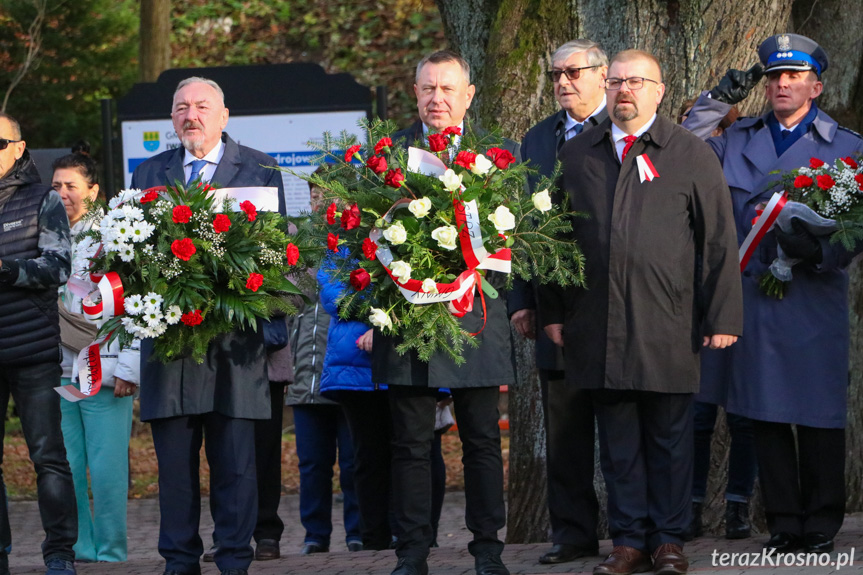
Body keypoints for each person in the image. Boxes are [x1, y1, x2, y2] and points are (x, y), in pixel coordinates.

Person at [540, 50, 743, 575]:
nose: (624, 90)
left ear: (658, 90)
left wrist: (721, 316)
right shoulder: (578, 154)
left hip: (668, 323)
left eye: (636, 81)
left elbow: (718, 240)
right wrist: (554, 311)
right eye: (616, 81)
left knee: (670, 439)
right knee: (619, 443)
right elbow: (555, 241)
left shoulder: (689, 153)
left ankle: (668, 541)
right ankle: (628, 541)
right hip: (597, 323)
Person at [682, 33, 863, 554]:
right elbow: (683, 152)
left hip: (813, 293)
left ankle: (823, 520)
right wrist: (716, 99)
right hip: (751, 293)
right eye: (774, 76)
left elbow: (858, 227)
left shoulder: (846, 146)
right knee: (765, 408)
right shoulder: (736, 136)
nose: (783, 83)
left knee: (819, 409)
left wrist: (818, 252)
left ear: (816, 85)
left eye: (794, 75)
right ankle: (783, 519)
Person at [128, 76, 285, 575]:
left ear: (224, 115)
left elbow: (277, 257)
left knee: (236, 465)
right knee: (175, 467)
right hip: (171, 345)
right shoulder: (150, 171)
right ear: (172, 118)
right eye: (181, 108)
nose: (190, 115)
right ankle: (179, 561)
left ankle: (236, 559)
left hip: (235, 346)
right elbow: (134, 258)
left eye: (201, 106)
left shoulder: (260, 169)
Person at [373, 50, 517, 575]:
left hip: (474, 314)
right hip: (410, 315)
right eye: (428, 89)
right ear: (415, 93)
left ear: (468, 95)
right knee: (409, 444)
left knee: (481, 441)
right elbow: (365, 238)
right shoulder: (388, 158)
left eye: (448, 89)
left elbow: (515, 241)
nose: (438, 99)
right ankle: (412, 553)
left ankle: (488, 550)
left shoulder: (499, 156)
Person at [513, 39, 607, 565]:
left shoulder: (618, 133)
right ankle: (573, 534)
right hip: (554, 313)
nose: (563, 82)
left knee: (621, 426)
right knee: (566, 433)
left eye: (574, 72)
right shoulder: (537, 139)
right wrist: (522, 301)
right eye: (555, 74)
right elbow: (519, 227)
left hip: (616, 308)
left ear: (601, 74)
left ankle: (637, 531)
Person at [0, 112, 78, 575]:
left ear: (19, 147)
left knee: (47, 456)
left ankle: (59, 554)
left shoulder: (42, 200)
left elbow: (57, 267)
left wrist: (8, 270)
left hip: (32, 351)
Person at [53, 143, 139, 562]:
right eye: (56, 186)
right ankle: (80, 549)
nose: (62, 193)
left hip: (105, 371)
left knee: (107, 470)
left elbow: (140, 307)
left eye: (71, 185)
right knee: (65, 464)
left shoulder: (116, 235)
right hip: (56, 369)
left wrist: (130, 366)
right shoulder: (42, 233)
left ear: (94, 189)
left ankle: (112, 553)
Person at [677, 100, 757, 542]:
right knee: (700, 413)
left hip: (747, 293)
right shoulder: (688, 153)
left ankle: (739, 507)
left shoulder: (748, 151)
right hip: (700, 297)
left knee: (745, 414)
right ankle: (689, 507)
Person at [286, 256, 362, 555]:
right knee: (312, 466)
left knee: (353, 463)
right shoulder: (296, 262)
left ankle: (358, 532)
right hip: (305, 384)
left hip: (347, 380)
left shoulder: (352, 257)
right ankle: (315, 535)